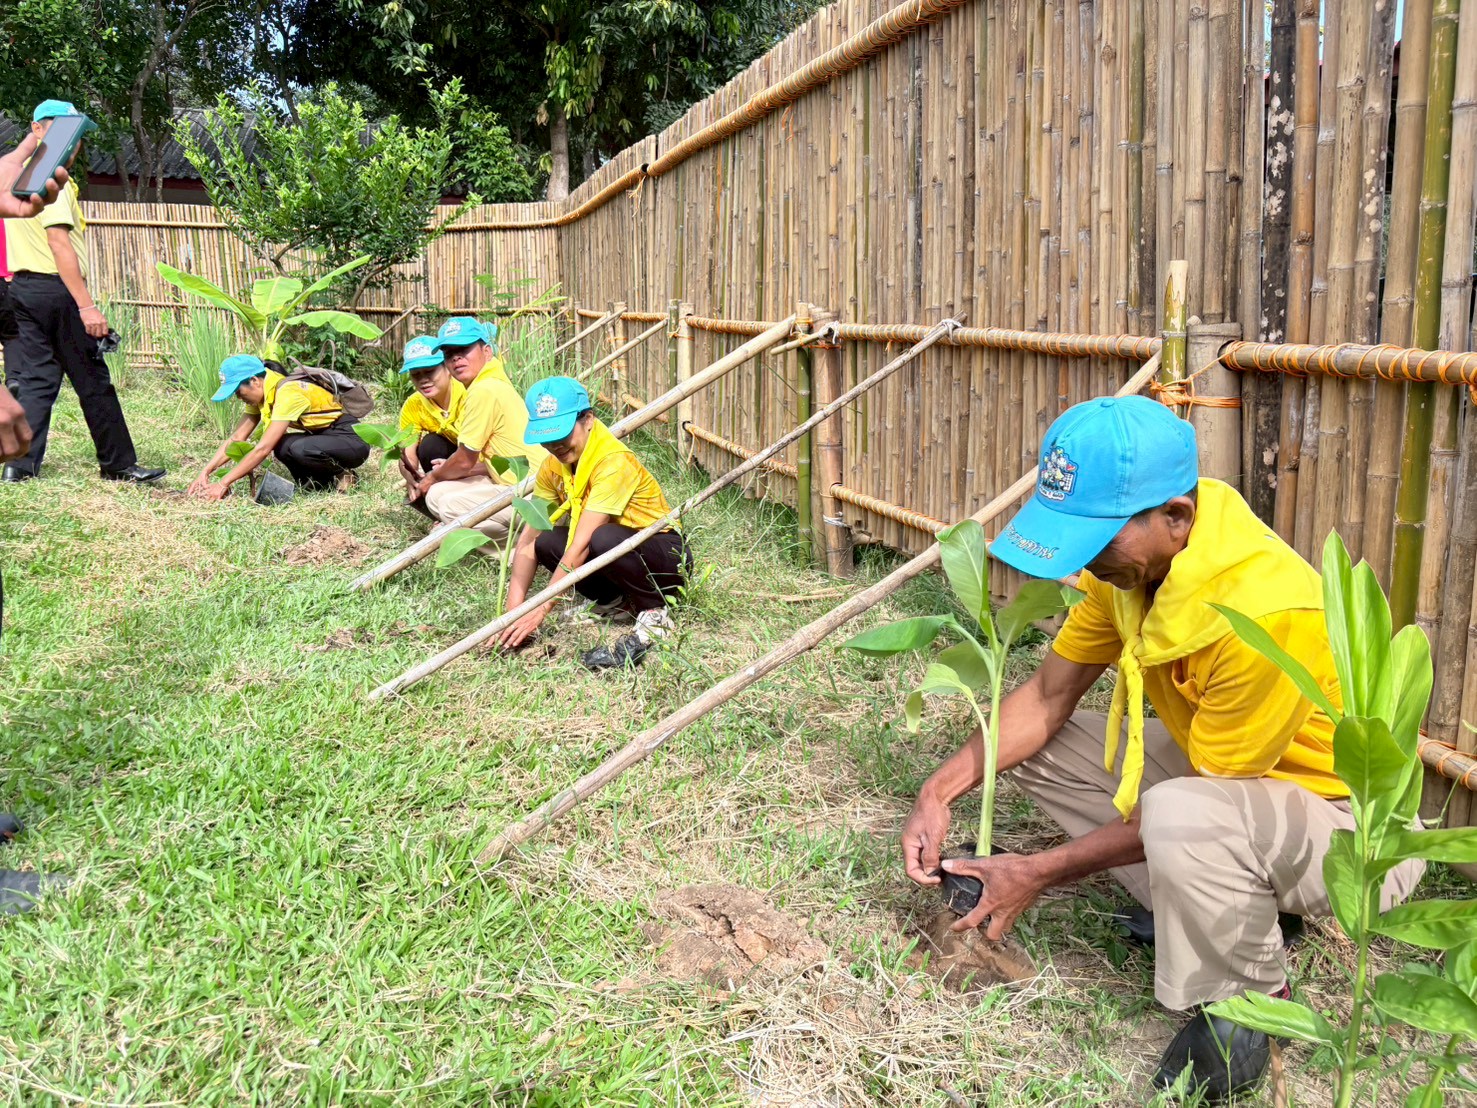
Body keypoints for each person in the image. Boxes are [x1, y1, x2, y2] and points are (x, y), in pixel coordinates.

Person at [902, 396, 1424, 1103]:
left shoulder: (1260, 615)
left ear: (1174, 517)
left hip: (1350, 835)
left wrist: (1035, 871)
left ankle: (1249, 1003)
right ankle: (1222, 908)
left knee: (1180, 814)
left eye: (1096, 538)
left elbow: (1192, 808)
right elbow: (1048, 697)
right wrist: (937, 792)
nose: (1081, 560)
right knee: (1039, 749)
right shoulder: (1133, 573)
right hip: (1241, 791)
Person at [2, 100, 164, 484]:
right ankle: (118, 465)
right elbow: (59, 244)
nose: (72, 146)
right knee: (93, 380)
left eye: (74, 138)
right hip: (58, 293)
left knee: (36, 380)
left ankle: (19, 468)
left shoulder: (13, 177)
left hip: (21, 290)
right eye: (64, 134)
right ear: (38, 130)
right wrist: (88, 307)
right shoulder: (53, 183)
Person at [498, 377, 690, 670]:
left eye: (561, 433)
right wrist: (514, 613)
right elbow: (528, 538)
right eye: (545, 437)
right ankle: (617, 604)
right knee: (547, 543)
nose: (554, 445)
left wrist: (541, 609)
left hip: (664, 558)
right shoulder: (554, 465)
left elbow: (583, 544)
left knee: (602, 538)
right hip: (617, 553)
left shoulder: (613, 461)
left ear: (588, 419)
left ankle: (654, 611)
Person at [413, 316, 545, 540]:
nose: (456, 358)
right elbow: (495, 459)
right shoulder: (491, 379)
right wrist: (444, 473)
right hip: (516, 482)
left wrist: (432, 477)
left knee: (446, 504)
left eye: (463, 349)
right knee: (437, 494)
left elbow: (465, 460)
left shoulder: (484, 389)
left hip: (534, 494)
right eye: (448, 354)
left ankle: (517, 549)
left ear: (487, 351)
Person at [187, 354, 370, 499]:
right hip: (324, 437)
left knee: (298, 448)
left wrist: (223, 483)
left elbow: (263, 448)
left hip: (350, 439)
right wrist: (206, 471)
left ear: (254, 381)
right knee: (283, 445)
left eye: (238, 391)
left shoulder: (288, 393)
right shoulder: (262, 394)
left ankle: (344, 474)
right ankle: (318, 483)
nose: (238, 397)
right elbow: (236, 438)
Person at [395, 335, 465, 515]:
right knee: (430, 444)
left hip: (481, 459)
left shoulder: (468, 393)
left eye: (430, 371)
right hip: (453, 456)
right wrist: (409, 476)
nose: (423, 380)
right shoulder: (414, 405)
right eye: (416, 374)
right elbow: (407, 453)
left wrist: (449, 469)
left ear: (447, 368)